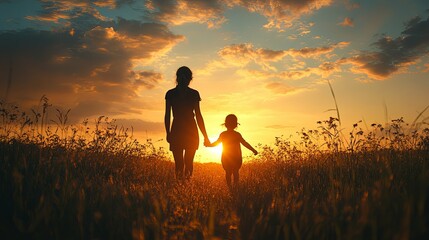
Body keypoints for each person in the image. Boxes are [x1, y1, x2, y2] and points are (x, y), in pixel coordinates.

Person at [165, 66, 209, 180]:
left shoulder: (175, 93)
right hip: (183, 130)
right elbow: (167, 115)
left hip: (183, 130)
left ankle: (184, 188)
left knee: (183, 163)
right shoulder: (172, 93)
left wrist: (168, 132)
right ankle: (183, 187)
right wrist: (168, 132)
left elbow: (168, 116)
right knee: (184, 162)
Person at [205, 114, 257, 189]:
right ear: (236, 125)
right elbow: (245, 143)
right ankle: (236, 187)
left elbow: (216, 143)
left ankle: (229, 187)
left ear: (225, 124)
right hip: (237, 157)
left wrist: (209, 145)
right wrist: (253, 150)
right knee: (236, 172)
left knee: (228, 172)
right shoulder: (237, 135)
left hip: (226, 157)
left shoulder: (223, 134)